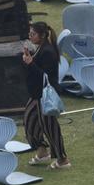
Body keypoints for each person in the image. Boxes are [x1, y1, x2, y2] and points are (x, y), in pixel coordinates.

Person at [21, 22, 70, 169]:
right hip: (36, 94)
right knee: (29, 121)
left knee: (50, 127)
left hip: (45, 96)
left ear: (42, 36)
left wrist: (30, 63)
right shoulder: (40, 48)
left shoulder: (48, 51)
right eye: (29, 34)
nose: (30, 37)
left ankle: (62, 159)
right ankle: (42, 151)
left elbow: (45, 75)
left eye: (33, 34)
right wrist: (28, 60)